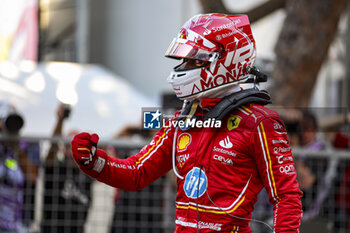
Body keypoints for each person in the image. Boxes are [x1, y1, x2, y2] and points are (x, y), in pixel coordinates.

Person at [71, 14, 302, 233]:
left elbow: (286, 196)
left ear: (224, 60)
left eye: (193, 59)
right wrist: (93, 162)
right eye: (184, 59)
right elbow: (136, 173)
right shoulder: (182, 120)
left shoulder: (261, 123)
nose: (184, 67)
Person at [42, 103, 92, 233]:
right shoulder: (55, 167)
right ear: (62, 147)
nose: (73, 149)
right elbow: (52, 146)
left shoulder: (88, 172)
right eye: (70, 144)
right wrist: (60, 120)